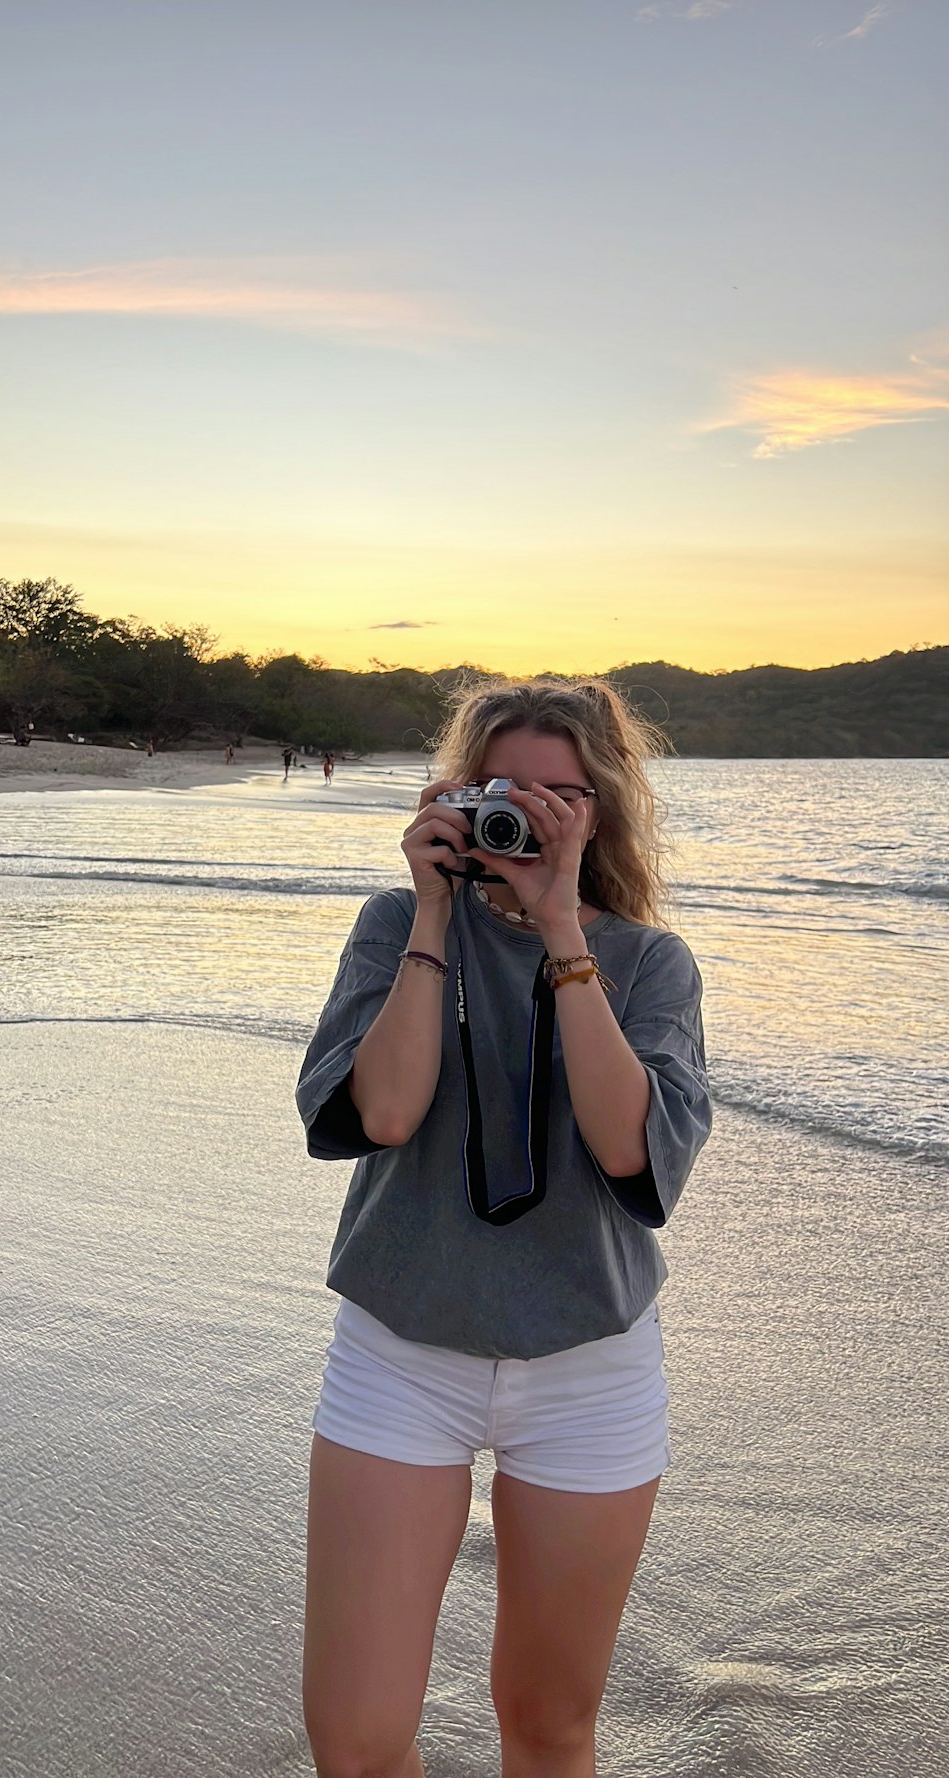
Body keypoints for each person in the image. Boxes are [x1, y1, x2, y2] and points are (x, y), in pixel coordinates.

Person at [295, 678, 713, 1778]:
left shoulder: (648, 963)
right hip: (402, 1350)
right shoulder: (396, 925)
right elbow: (380, 1111)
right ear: (455, 793)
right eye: (500, 791)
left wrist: (564, 925)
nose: (524, 817)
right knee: (355, 1740)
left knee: (548, 1723)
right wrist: (434, 913)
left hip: (589, 1366)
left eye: (556, 795)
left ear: (602, 806)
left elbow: (630, 1147)